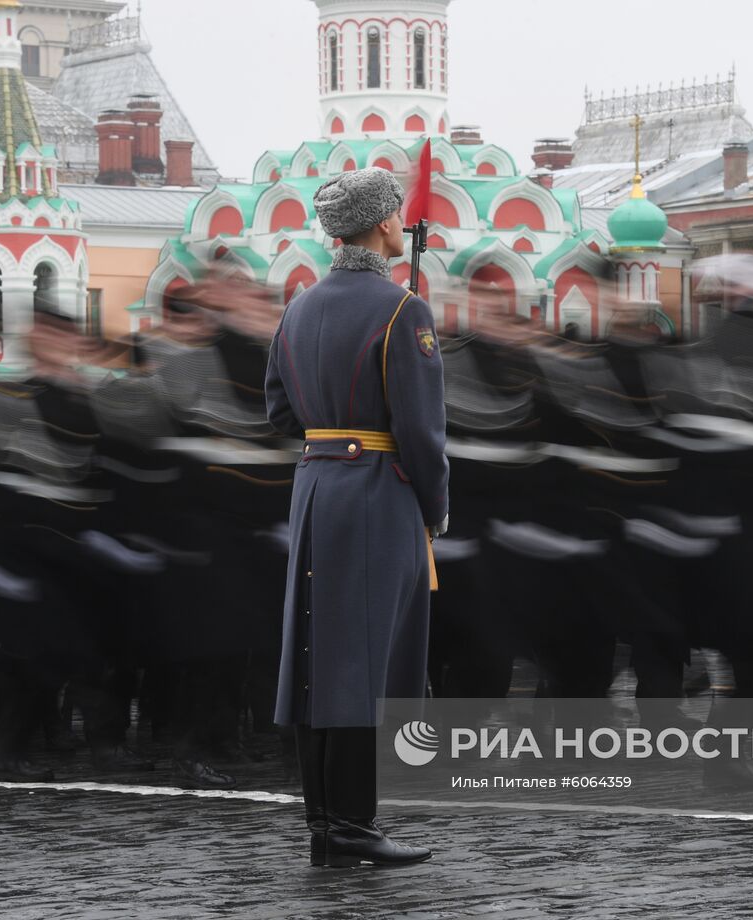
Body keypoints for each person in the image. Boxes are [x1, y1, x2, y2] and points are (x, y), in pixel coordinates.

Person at [264, 167, 448, 869]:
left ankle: (326, 825)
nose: (402, 221)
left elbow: (279, 412)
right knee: (364, 661)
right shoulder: (404, 309)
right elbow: (423, 433)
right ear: (380, 224)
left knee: (319, 660)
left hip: (315, 489)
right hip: (378, 492)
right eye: (395, 212)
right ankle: (352, 824)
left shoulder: (298, 308)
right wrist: (434, 509)